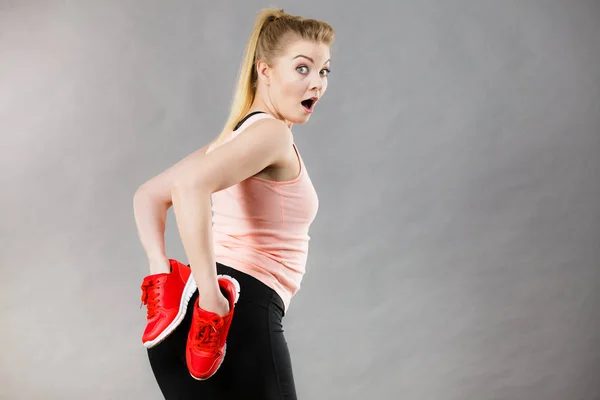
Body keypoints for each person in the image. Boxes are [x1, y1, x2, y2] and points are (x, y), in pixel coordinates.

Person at [132, 7, 334, 399]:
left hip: (187, 321)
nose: (318, 84)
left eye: (325, 71)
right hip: (238, 313)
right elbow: (188, 187)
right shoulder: (272, 134)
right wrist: (212, 298)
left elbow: (148, 196)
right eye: (303, 68)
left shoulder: (233, 140)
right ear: (266, 71)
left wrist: (163, 275)